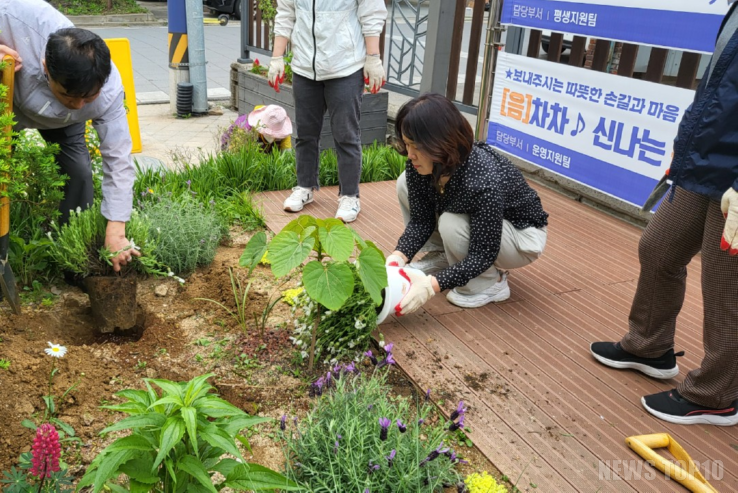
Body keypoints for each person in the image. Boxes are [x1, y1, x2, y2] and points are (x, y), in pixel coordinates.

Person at [589, 0, 738, 426]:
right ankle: (649, 346)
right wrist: (685, 145)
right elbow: (717, 86)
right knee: (658, 248)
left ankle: (717, 394)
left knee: (725, 286)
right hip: (704, 164)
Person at [0, 0, 139, 302]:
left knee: (78, 173)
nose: (81, 104)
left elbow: (118, 159)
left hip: (63, 123)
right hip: (7, 101)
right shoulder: (17, 12)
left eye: (88, 97)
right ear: (45, 67)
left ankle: (71, 257)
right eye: (71, 95)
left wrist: (116, 230)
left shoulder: (106, 91)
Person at [384, 94, 549, 314]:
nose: (410, 154)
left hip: (521, 235)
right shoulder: (424, 166)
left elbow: (483, 254)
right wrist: (398, 256)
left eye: (416, 147)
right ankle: (446, 256)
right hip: (479, 223)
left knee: (452, 223)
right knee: (405, 181)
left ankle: (491, 284)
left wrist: (432, 286)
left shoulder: (482, 179)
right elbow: (421, 221)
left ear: (440, 142)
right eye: (406, 144)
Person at [269, 0, 387, 223]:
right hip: (304, 68)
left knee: (346, 136)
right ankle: (305, 187)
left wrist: (373, 57)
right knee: (305, 134)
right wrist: (277, 57)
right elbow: (285, 14)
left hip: (345, 67)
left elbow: (371, 14)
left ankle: (350, 196)